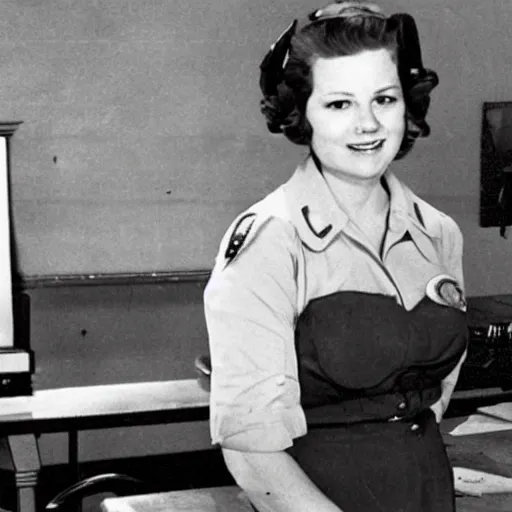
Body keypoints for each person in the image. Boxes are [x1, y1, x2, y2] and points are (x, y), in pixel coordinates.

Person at [203, 2, 468, 511]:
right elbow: (250, 451)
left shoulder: (439, 233)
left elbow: (434, 396)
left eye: (384, 99)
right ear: (301, 113)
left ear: (406, 105)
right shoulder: (270, 241)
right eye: (340, 104)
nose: (368, 124)